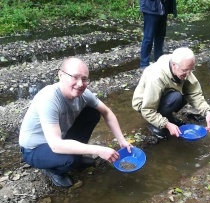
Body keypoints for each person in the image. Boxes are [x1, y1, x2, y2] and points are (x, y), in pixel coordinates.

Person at [19, 57, 131, 188]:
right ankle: (54, 170)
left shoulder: (84, 94)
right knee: (70, 160)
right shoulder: (49, 99)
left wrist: (122, 140)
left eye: (84, 79)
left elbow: (107, 112)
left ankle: (76, 158)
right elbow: (56, 145)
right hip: (34, 149)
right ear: (61, 75)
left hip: (59, 137)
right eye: (75, 77)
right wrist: (99, 150)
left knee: (92, 113)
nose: (80, 84)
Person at [132, 47, 210, 139]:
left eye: (191, 70)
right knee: (176, 97)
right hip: (145, 105)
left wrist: (206, 112)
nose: (188, 74)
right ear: (174, 65)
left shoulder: (183, 65)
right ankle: (155, 125)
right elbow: (147, 110)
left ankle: (167, 116)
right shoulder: (156, 78)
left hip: (165, 95)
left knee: (183, 94)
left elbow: (194, 93)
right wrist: (166, 124)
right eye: (185, 71)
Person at [140, 0, 177, 69]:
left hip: (163, 7)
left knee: (160, 35)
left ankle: (158, 60)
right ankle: (144, 64)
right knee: (148, 37)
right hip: (150, 7)